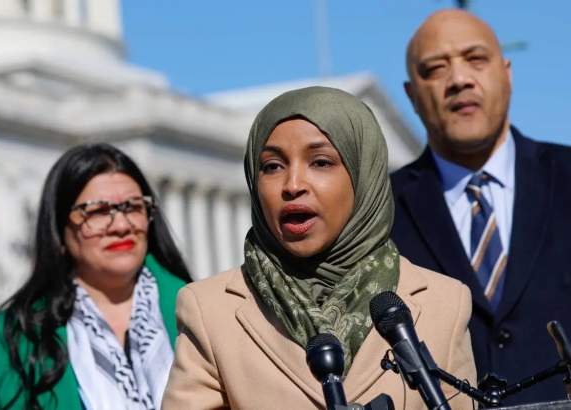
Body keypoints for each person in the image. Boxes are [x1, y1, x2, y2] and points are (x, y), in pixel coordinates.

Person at [163, 86, 476, 409]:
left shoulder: (445, 304)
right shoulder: (209, 310)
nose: (293, 184)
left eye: (321, 162)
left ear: (363, 174)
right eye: (272, 166)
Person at [391, 9, 571, 405]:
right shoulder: (378, 215)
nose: (459, 80)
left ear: (506, 72)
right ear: (411, 95)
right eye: (435, 68)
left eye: (476, 59)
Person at [0, 143, 191, 409]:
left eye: (133, 207)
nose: (121, 226)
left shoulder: (196, 309)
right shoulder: (21, 331)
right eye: (97, 211)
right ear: (59, 230)